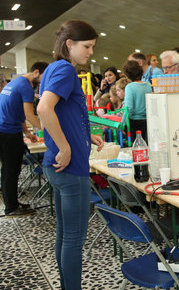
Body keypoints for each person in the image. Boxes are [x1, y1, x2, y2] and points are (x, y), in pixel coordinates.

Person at [37, 20, 104, 290]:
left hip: (55, 165)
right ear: (69, 44)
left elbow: (61, 113)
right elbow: (44, 110)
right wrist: (66, 147)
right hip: (70, 165)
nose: (90, 52)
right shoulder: (64, 69)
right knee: (74, 239)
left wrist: (84, 134)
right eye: (86, 46)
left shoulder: (52, 69)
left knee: (65, 235)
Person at [0, 61, 49, 217]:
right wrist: (48, 130)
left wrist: (27, 133)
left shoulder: (15, 83)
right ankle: (11, 207)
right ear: (36, 72)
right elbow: (29, 115)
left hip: (4, 130)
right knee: (11, 170)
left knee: (8, 170)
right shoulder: (26, 87)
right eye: (42, 77)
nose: (42, 82)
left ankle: (12, 203)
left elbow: (18, 112)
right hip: (8, 133)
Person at [122, 60, 151, 143]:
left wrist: (122, 124)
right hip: (147, 122)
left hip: (134, 124)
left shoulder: (130, 87)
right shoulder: (148, 85)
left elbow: (129, 109)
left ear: (127, 75)